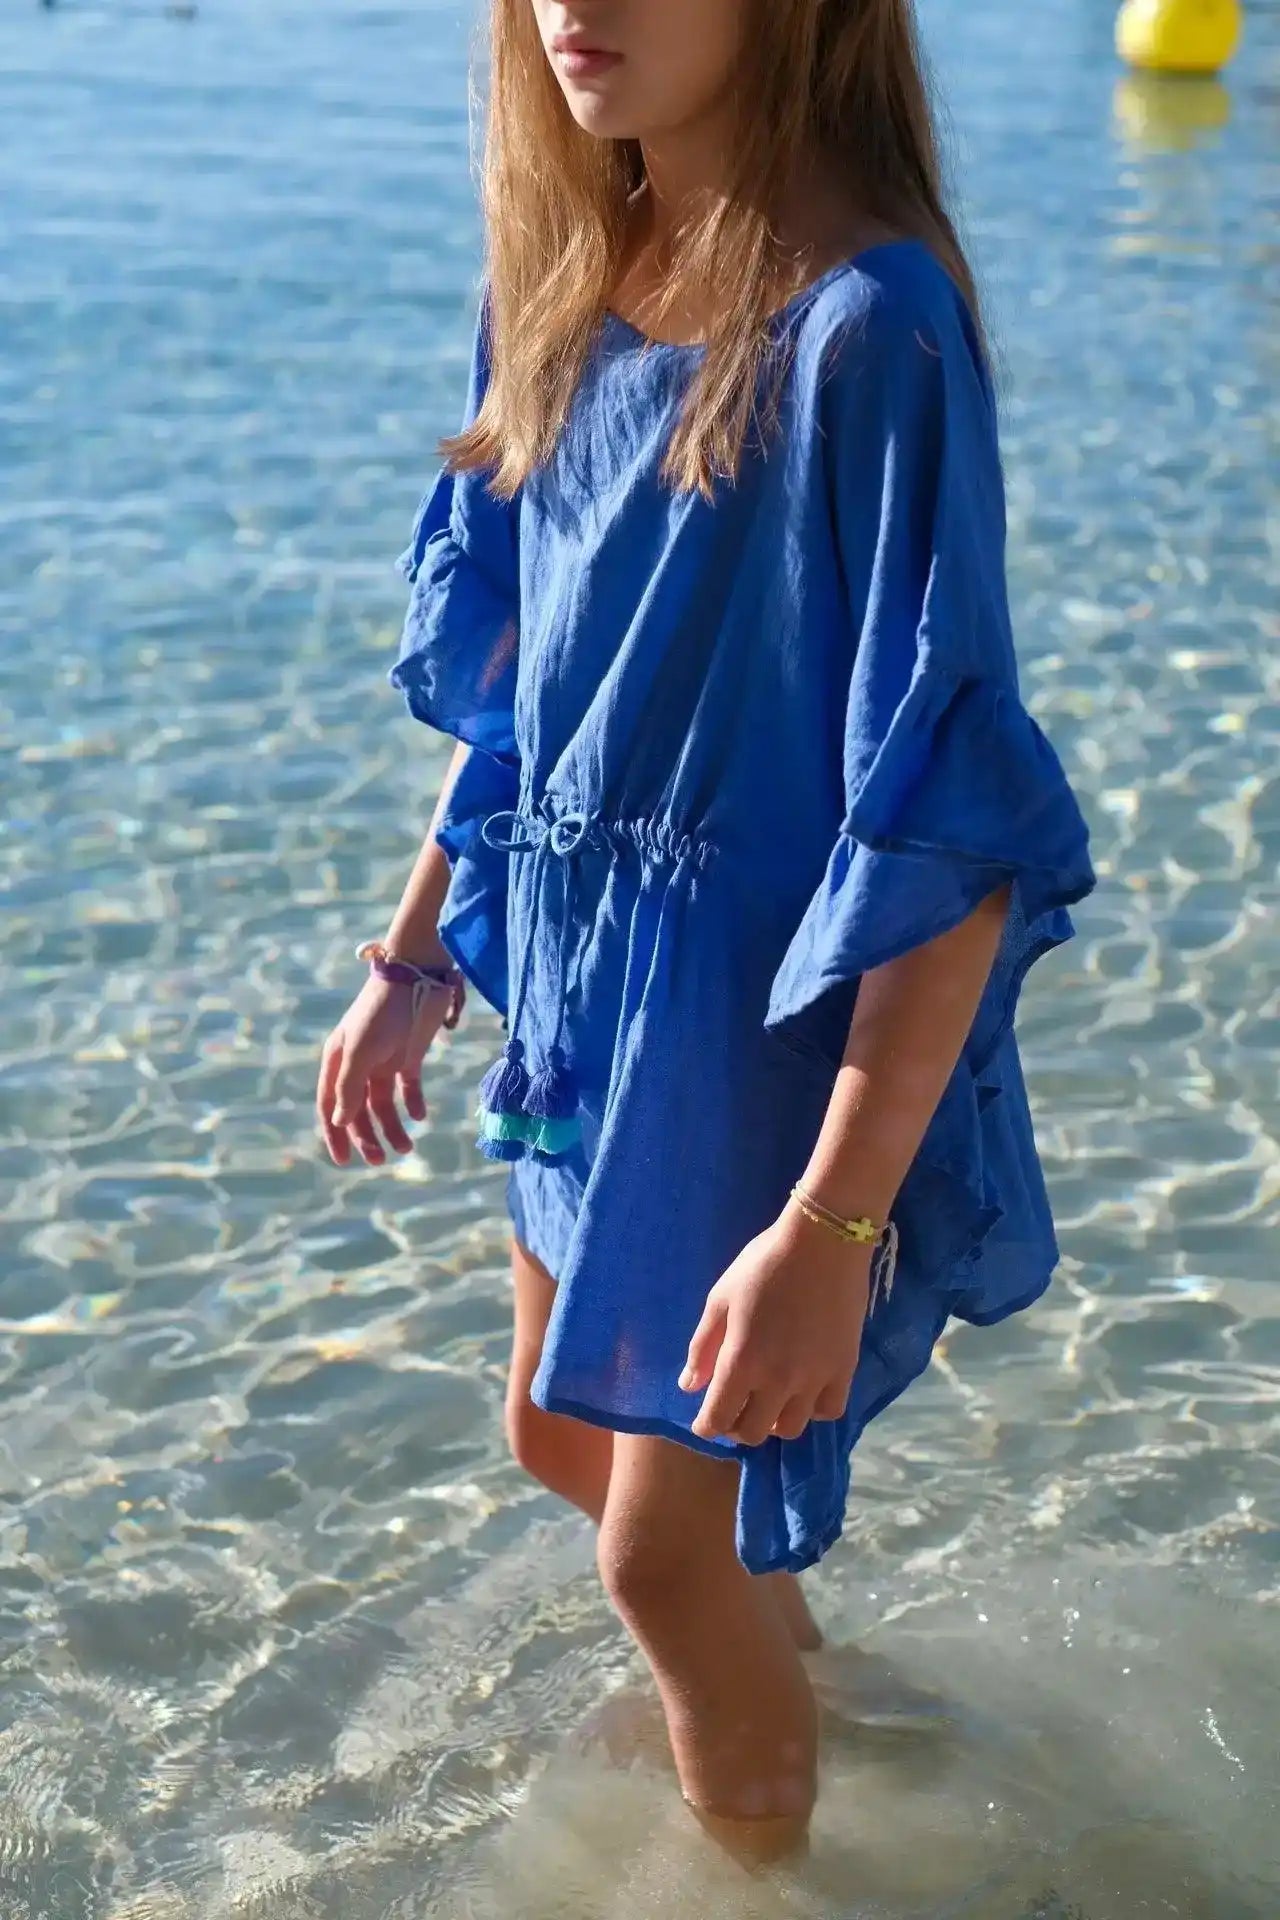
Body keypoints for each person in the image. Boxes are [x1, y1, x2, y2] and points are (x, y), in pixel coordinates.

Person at [316, 0, 1095, 1866]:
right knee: (559, 1439)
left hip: (759, 1040)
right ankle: (857, 1725)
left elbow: (952, 820)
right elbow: (528, 690)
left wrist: (833, 1226)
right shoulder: (572, 272)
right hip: (588, 995)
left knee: (661, 1553)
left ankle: (768, 1870)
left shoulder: (869, 331)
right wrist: (420, 952)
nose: (576, 7)